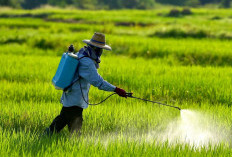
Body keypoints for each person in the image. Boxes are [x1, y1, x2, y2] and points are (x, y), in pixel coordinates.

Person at [45, 32, 127, 135]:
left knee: (62, 119)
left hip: (71, 95)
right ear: (96, 49)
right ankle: (72, 144)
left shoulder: (82, 54)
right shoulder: (87, 62)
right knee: (75, 127)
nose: (101, 52)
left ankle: (46, 135)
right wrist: (116, 89)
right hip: (75, 98)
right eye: (101, 49)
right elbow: (98, 82)